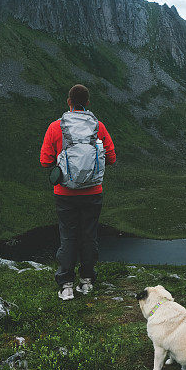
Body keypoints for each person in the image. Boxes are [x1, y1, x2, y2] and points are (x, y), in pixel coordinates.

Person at [40, 84, 116, 300]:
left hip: (64, 194)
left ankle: (66, 285)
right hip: (93, 192)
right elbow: (111, 158)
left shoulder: (56, 127)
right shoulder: (98, 127)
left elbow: (45, 161)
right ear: (88, 103)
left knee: (68, 236)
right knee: (89, 236)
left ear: (69, 102)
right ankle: (87, 281)